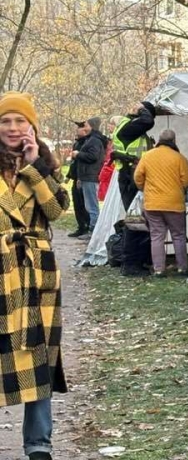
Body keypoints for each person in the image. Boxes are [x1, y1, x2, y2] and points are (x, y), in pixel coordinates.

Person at [0, 92, 70, 460]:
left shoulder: (43, 164)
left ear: (32, 126)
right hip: (1, 271)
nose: (13, 128)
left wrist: (33, 167)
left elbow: (57, 209)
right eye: (5, 121)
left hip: (36, 274)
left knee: (37, 355)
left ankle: (39, 445)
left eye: (19, 121)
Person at [134, 129, 188, 277]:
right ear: (174, 141)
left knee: (157, 236)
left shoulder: (147, 156)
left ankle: (159, 269)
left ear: (159, 140)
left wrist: (144, 188)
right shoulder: (179, 158)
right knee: (178, 235)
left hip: (152, 204)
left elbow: (137, 177)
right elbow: (186, 180)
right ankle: (182, 268)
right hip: (174, 203)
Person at [111, 101, 156, 210]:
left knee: (136, 213)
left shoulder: (129, 126)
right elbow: (148, 121)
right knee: (135, 213)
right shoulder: (130, 128)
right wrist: (141, 109)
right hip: (131, 173)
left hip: (130, 172)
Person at [72, 116, 107, 240]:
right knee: (89, 205)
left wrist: (78, 154)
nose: (84, 127)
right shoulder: (90, 139)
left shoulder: (95, 141)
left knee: (92, 206)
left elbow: (93, 157)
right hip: (86, 176)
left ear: (91, 126)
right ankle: (92, 229)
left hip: (91, 176)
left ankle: (94, 231)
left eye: (86, 125)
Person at [66, 121, 91, 238]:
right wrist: (69, 175)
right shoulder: (77, 143)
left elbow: (86, 160)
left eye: (80, 128)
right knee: (77, 203)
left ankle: (87, 226)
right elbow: (74, 163)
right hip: (76, 176)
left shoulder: (87, 142)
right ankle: (81, 226)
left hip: (83, 177)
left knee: (83, 203)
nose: (77, 130)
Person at [98, 116, 123, 202]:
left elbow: (111, 160)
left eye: (112, 124)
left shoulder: (118, 141)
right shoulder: (111, 141)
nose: (109, 126)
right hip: (111, 173)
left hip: (114, 174)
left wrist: (102, 175)